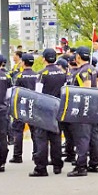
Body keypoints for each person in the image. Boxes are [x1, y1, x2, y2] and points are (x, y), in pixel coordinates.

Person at [30, 49, 67, 177]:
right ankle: (57, 165)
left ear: (44, 58)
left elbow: (38, 94)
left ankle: (41, 168)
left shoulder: (42, 74)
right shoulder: (62, 73)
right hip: (57, 108)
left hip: (44, 109)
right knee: (56, 138)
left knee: (41, 139)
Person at [66, 46, 98, 177]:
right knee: (93, 136)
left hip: (83, 108)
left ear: (78, 57)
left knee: (82, 137)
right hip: (93, 107)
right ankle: (94, 163)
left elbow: (86, 89)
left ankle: (80, 166)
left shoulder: (82, 71)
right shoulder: (91, 68)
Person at [9, 53, 39, 164]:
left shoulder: (19, 76)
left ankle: (17, 156)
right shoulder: (37, 75)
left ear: (23, 62)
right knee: (35, 131)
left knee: (18, 131)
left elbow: (15, 92)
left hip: (21, 105)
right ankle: (36, 154)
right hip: (34, 105)